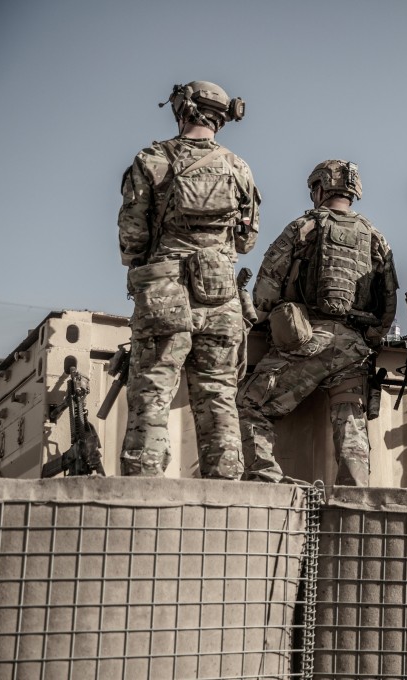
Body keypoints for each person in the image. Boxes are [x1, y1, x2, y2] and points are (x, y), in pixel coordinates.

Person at [118, 80, 260, 479]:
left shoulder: (152, 159)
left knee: (151, 390)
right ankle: (227, 492)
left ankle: (143, 493)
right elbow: (247, 240)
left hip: (163, 292)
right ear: (221, 118)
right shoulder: (238, 167)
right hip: (221, 297)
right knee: (218, 394)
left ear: (182, 109)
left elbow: (132, 236)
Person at [237, 160, 398, 486]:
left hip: (308, 337)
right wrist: (372, 336)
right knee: (350, 419)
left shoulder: (304, 227)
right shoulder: (375, 237)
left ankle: (264, 478)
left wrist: (259, 320)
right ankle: (353, 494)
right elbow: (389, 298)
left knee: (249, 404)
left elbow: (267, 288)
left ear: (320, 188)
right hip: (355, 347)